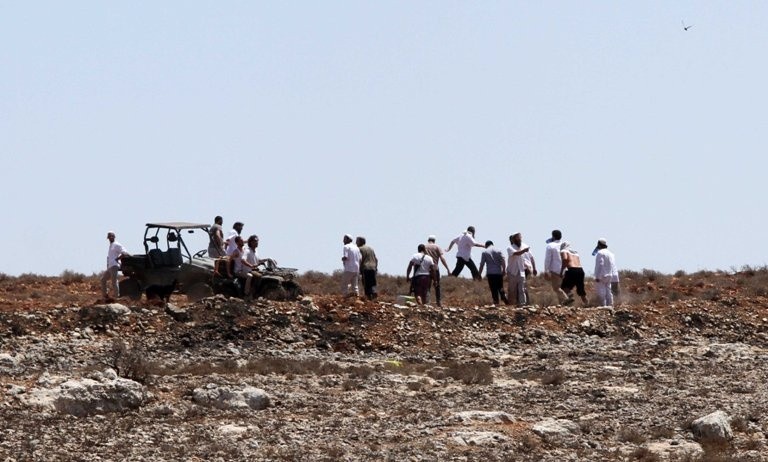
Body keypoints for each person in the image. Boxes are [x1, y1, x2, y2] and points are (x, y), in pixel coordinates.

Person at [100, 231, 130, 301]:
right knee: (103, 280)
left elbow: (125, 252)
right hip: (110, 266)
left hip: (114, 266)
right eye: (109, 236)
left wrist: (118, 258)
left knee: (114, 281)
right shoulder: (111, 245)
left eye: (112, 236)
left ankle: (117, 297)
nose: (110, 237)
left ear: (114, 237)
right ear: (108, 238)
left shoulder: (116, 244)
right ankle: (105, 295)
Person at [478, 240, 508, 306]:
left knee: (493, 288)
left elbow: (482, 264)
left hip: (490, 273)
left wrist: (479, 273)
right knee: (500, 287)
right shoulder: (498, 250)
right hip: (498, 273)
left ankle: (496, 302)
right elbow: (503, 260)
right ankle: (504, 297)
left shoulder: (485, 252)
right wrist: (504, 270)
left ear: (486, 245)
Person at [559, 241, 589, 306]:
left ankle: (570, 296)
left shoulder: (563, 251)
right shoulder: (575, 252)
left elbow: (565, 259)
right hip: (580, 270)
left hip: (572, 270)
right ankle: (587, 304)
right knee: (581, 290)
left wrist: (561, 271)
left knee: (564, 287)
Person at [424, 235, 451, 307]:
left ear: (428, 240)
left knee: (427, 286)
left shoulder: (424, 247)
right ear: (434, 240)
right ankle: (439, 303)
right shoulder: (437, 247)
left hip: (426, 269)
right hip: (435, 268)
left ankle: (427, 303)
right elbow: (442, 259)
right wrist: (447, 268)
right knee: (437, 286)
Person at [506, 233, 532, 307]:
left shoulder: (522, 248)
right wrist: (524, 250)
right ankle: (511, 304)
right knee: (512, 290)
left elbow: (523, 260)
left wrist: (528, 267)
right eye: (518, 238)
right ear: (514, 240)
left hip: (521, 272)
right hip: (512, 272)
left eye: (520, 238)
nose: (519, 240)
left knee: (522, 289)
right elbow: (516, 253)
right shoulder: (510, 248)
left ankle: (522, 304)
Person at [543, 229, 568, 305]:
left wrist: (546, 270)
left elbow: (548, 259)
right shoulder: (564, 245)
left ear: (553, 236)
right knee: (561, 288)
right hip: (564, 269)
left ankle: (566, 299)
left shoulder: (550, 246)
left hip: (555, 269)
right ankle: (562, 304)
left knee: (556, 288)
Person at [593, 238, 618, 306]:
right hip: (610, 274)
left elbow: (601, 264)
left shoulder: (600, 253)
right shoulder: (610, 253)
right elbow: (613, 265)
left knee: (601, 291)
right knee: (608, 291)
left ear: (599, 244)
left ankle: (603, 306)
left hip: (602, 275)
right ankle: (610, 305)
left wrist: (597, 276)